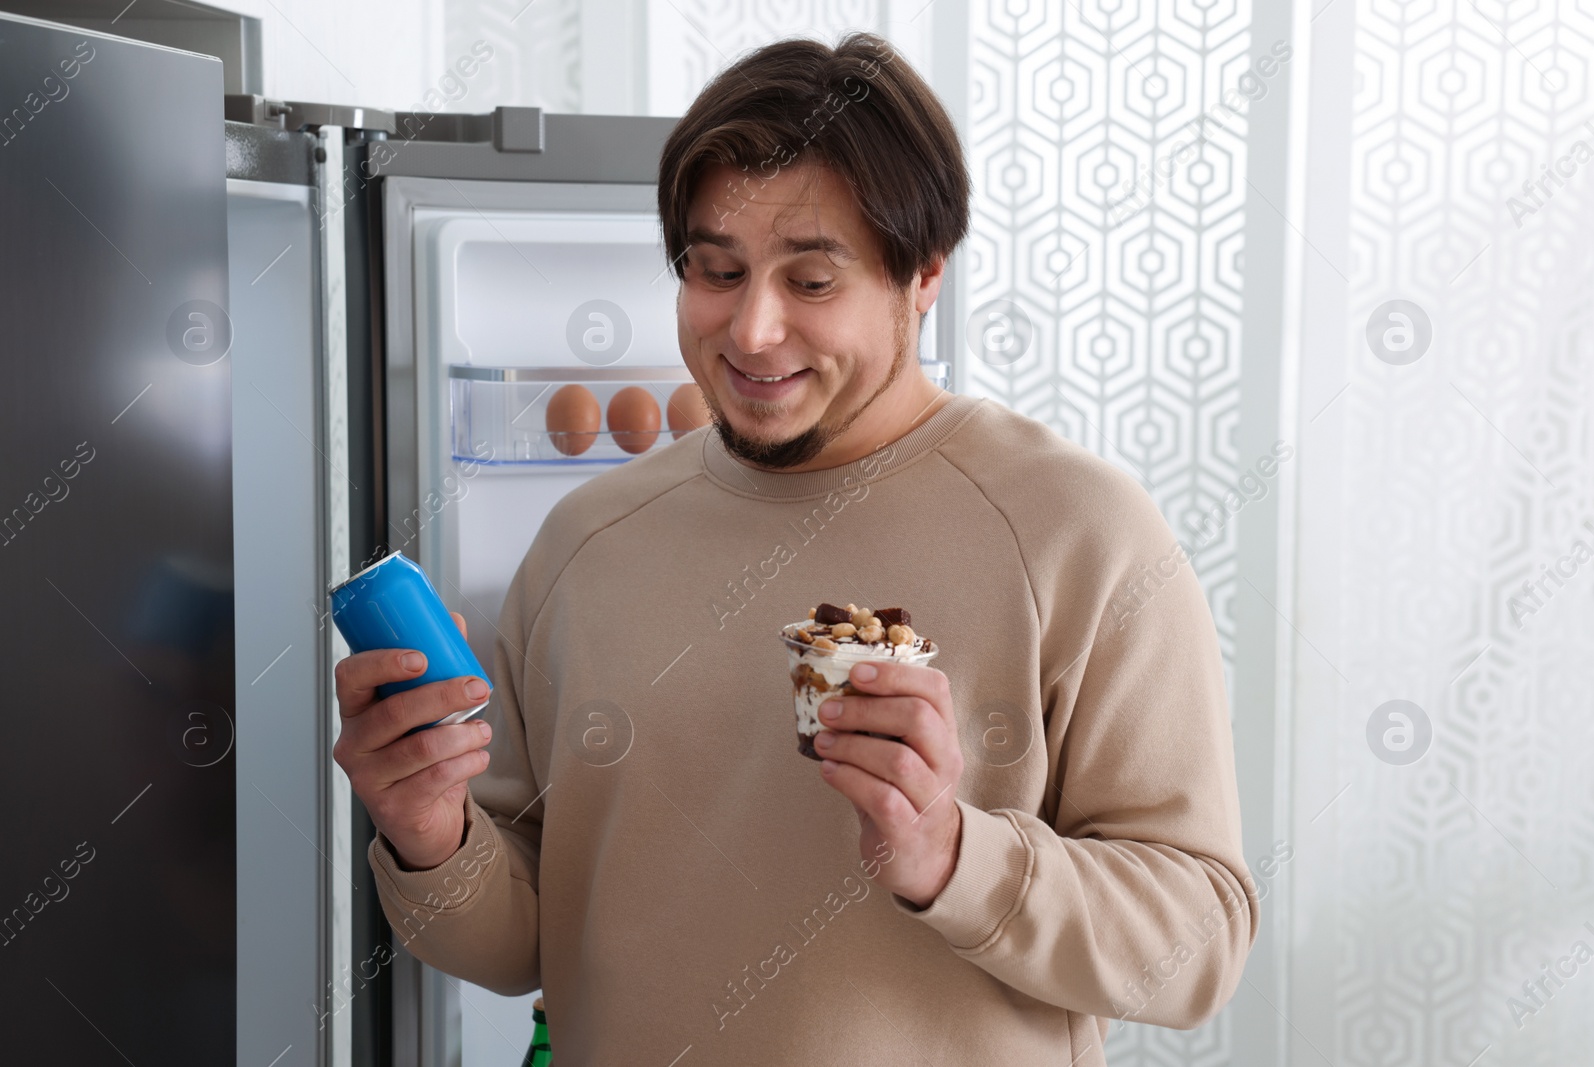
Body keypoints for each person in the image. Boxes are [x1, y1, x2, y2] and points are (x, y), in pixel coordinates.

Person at [333, 32, 1257, 1065]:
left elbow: (1198, 945)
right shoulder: (587, 542)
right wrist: (427, 831)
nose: (752, 330)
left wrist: (953, 854)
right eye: (714, 271)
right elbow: (521, 938)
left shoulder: (1079, 530)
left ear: (922, 277)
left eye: (812, 282)